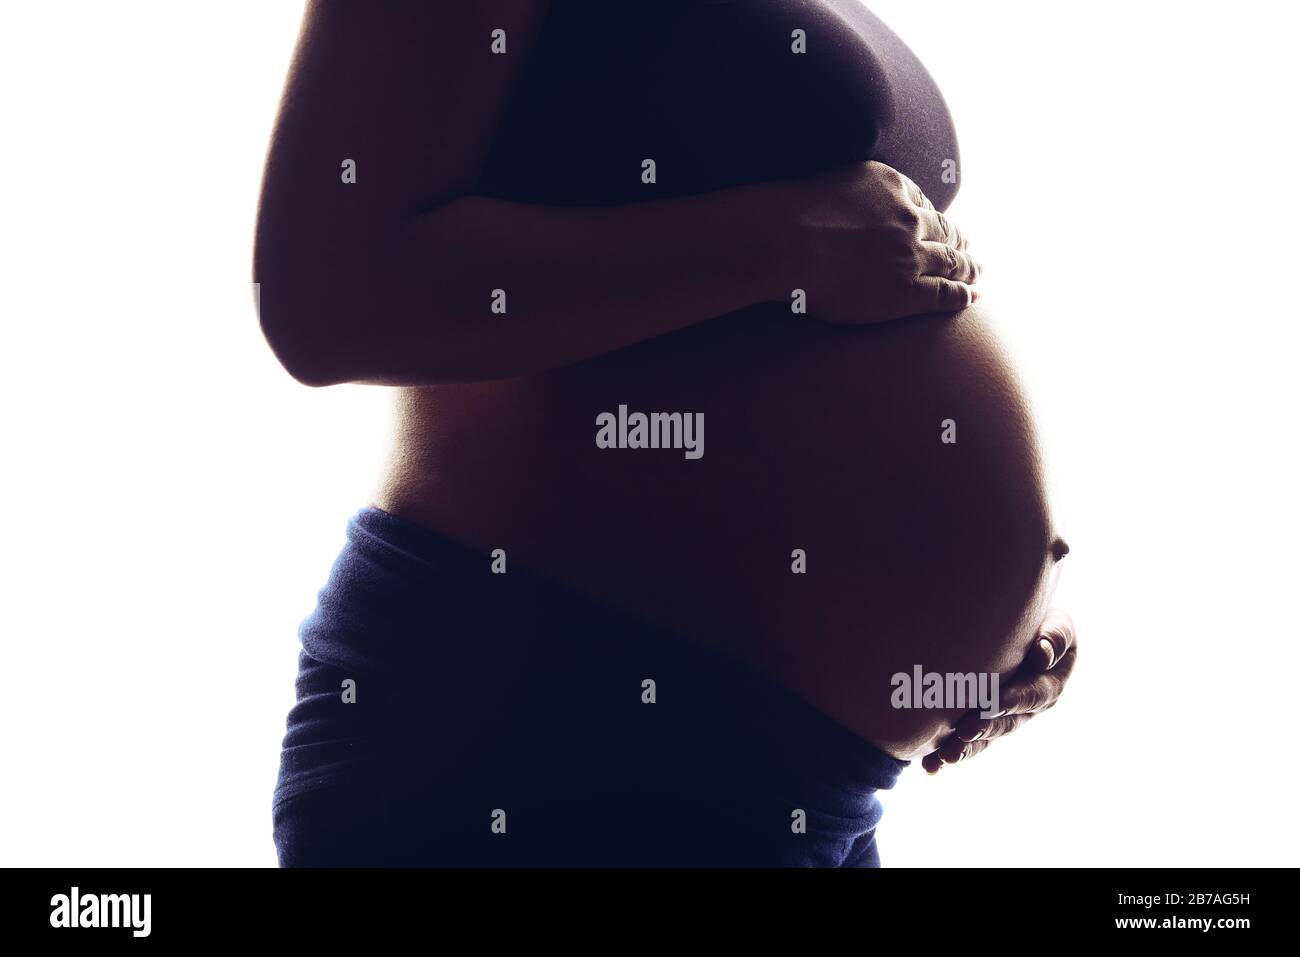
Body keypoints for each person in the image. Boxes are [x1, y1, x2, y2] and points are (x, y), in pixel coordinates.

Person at [257, 0, 1077, 867]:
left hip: (814, 778)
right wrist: (788, 245)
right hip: (549, 725)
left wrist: (982, 627)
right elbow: (327, 294)